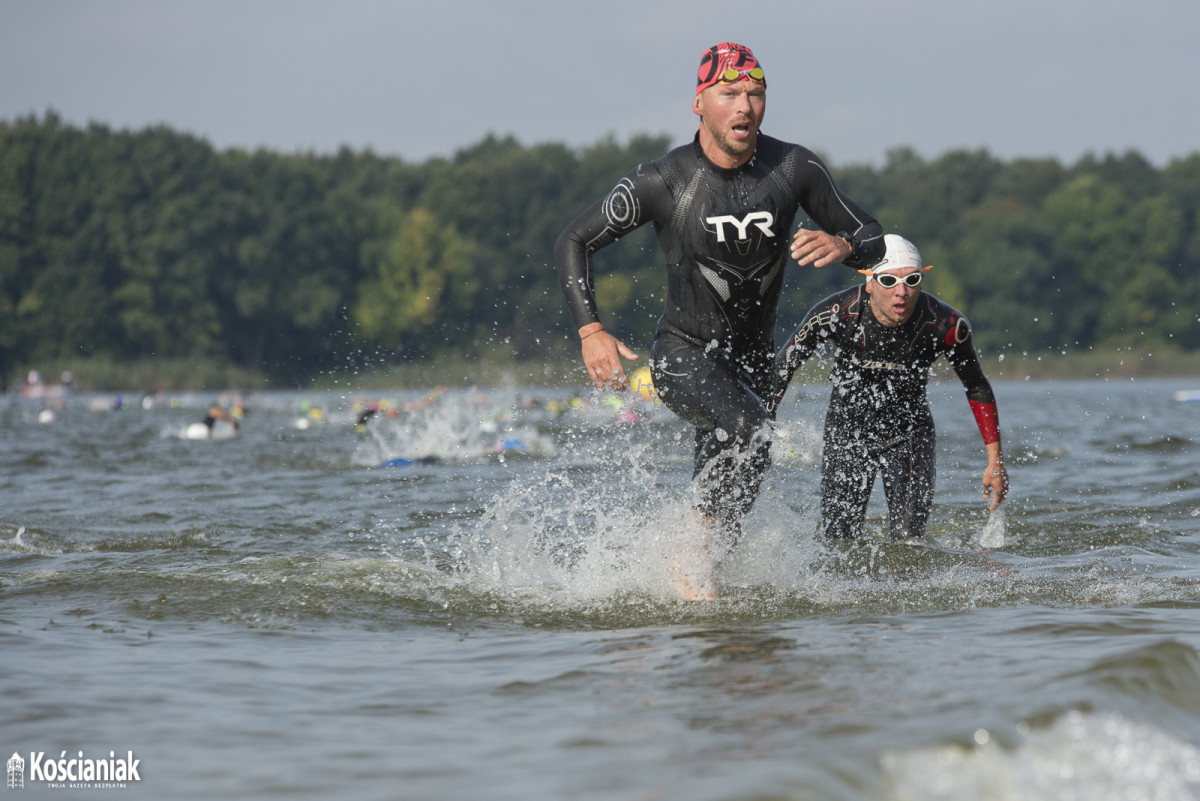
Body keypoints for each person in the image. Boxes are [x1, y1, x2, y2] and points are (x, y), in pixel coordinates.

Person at [555, 42, 885, 597]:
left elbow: (874, 238)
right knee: (751, 430)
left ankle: (699, 608)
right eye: (730, 94)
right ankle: (688, 565)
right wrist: (591, 330)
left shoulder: (794, 168)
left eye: (755, 94)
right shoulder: (664, 180)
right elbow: (574, 240)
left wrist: (843, 242)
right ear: (699, 103)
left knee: (742, 471)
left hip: (754, 364)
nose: (745, 107)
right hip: (683, 354)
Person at [770, 234, 1009, 540]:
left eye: (911, 280)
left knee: (910, 541)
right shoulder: (835, 314)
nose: (901, 293)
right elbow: (781, 370)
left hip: (910, 434)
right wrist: (762, 437)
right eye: (888, 280)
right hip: (847, 433)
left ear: (921, 282)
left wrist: (995, 461)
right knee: (838, 540)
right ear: (869, 282)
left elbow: (976, 386)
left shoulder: (947, 325)